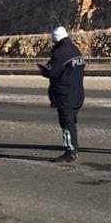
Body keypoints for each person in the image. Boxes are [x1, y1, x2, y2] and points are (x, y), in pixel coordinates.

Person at [40, 27, 85, 163]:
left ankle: (70, 151)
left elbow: (52, 71)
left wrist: (44, 70)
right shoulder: (74, 49)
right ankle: (73, 146)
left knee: (66, 124)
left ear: (56, 38)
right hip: (77, 92)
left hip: (65, 94)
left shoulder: (60, 52)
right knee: (71, 123)